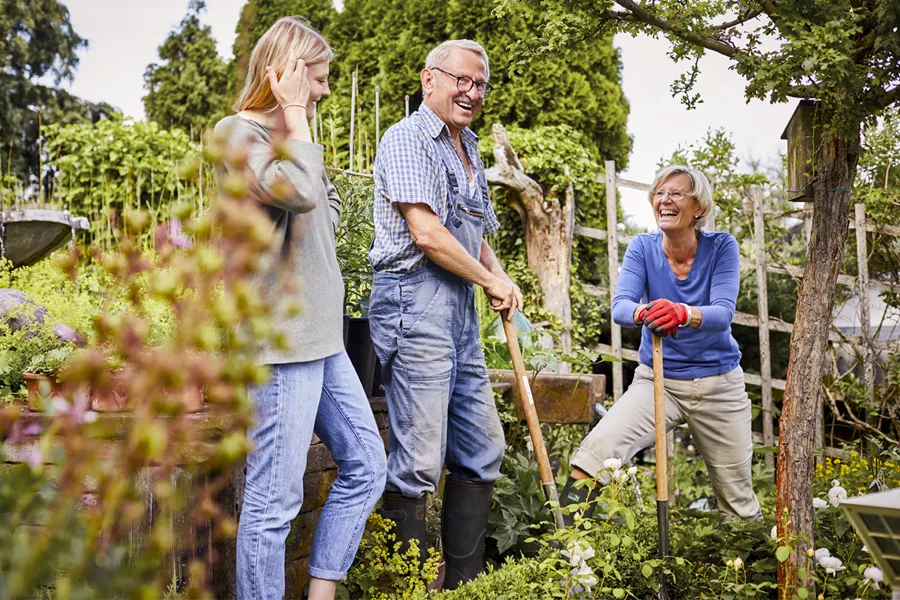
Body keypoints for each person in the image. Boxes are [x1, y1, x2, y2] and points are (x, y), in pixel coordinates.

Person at [214, 17, 387, 600]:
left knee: (366, 463)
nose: (325, 91)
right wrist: (295, 119)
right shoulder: (237, 133)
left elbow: (324, 202)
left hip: (322, 336)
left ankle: (320, 592)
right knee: (273, 501)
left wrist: (298, 136)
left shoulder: (289, 138)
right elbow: (302, 193)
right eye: (316, 78)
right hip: (280, 340)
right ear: (285, 74)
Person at [367, 39, 524, 589]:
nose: (472, 92)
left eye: (480, 84)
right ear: (428, 78)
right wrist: (487, 281)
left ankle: (463, 585)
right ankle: (402, 587)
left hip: (457, 306)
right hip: (414, 298)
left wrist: (498, 277)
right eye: (462, 80)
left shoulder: (468, 144)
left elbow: (472, 232)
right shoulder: (407, 139)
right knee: (417, 462)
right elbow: (428, 233)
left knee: (483, 449)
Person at [562, 165, 762, 521]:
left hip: (719, 385)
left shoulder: (722, 248)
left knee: (738, 503)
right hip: (659, 380)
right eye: (659, 193)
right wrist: (647, 313)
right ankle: (568, 558)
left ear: (698, 207)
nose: (665, 200)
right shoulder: (642, 247)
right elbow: (621, 306)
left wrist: (682, 313)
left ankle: (744, 570)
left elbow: (722, 313)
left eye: (676, 193)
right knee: (595, 456)